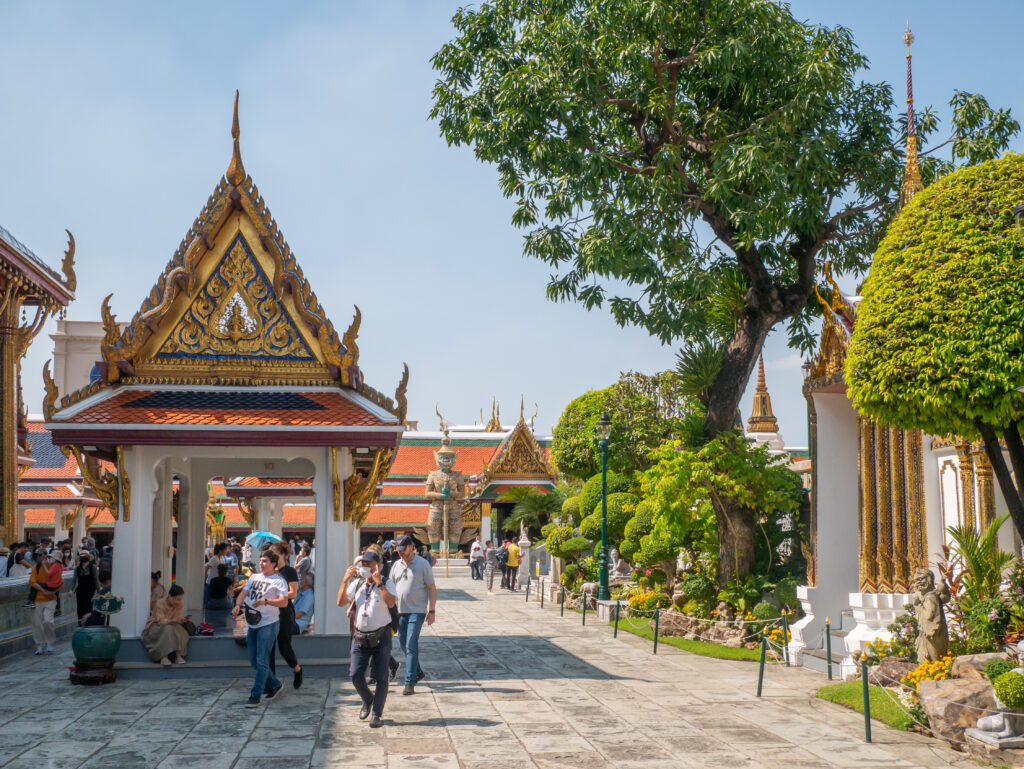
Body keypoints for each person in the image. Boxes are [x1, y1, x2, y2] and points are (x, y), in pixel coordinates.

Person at [338, 550, 396, 728]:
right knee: (355, 674)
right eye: (363, 565)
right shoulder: (357, 584)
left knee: (381, 676)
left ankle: (377, 714)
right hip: (360, 636)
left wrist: (379, 583)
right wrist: (345, 579)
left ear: (377, 566)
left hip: (381, 635)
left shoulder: (386, 582)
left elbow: (391, 603)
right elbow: (340, 602)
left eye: (369, 565)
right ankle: (368, 699)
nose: (365, 568)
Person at [233, 551, 288, 708]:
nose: (261, 564)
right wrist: (238, 605)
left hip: (268, 624)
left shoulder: (279, 581)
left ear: (273, 564)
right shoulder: (253, 578)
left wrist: (266, 601)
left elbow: (283, 602)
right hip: (252, 623)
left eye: (265, 561)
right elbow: (243, 593)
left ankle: (255, 695)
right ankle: (276, 684)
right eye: (261, 561)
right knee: (254, 661)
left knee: (262, 660)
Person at [390, 534, 436, 696]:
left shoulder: (422, 564)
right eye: (399, 550)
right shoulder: (396, 565)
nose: (401, 552)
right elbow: (390, 588)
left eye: (403, 549)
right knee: (403, 643)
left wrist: (432, 610)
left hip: (417, 611)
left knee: (410, 643)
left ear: (411, 547)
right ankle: (417, 671)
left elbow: (431, 587)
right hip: (400, 611)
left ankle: (409, 681)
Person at [267, 541, 303, 689]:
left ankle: (297, 669)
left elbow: (293, 592)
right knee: (268, 647)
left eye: (274, 554)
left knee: (284, 646)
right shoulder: (270, 571)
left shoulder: (289, 571)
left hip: (285, 613)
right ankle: (270, 682)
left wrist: (276, 594)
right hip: (271, 611)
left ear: (282, 555)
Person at [141, 585, 190, 666]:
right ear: (170, 596)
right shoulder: (159, 603)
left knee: (181, 630)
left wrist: (182, 620)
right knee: (167, 629)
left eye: (180, 599)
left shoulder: (179, 604)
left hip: (171, 625)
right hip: (155, 627)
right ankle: (164, 657)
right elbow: (160, 621)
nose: (178, 602)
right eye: (176, 599)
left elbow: (178, 617)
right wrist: (173, 620)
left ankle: (178, 656)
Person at [29, 551, 60, 654]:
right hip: (37, 599)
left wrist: (51, 592)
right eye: (37, 555)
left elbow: (60, 582)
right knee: (37, 624)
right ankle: (39, 645)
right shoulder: (35, 568)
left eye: (42, 555)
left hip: (51, 599)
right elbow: (32, 582)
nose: (40, 557)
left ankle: (49, 643)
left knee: (48, 621)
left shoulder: (54, 566)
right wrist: (44, 591)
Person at [74, 552, 99, 621]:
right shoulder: (77, 568)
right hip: (80, 590)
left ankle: (87, 621)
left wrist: (99, 591)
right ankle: (80, 621)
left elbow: (96, 579)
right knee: (80, 606)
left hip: (90, 590)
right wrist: (71, 590)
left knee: (88, 606)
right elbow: (74, 580)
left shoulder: (93, 567)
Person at [204, 542, 226, 609]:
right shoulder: (214, 558)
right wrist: (206, 577)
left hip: (217, 582)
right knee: (207, 598)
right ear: (220, 550)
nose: (226, 551)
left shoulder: (222, 558)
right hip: (210, 582)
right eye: (225, 549)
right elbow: (207, 567)